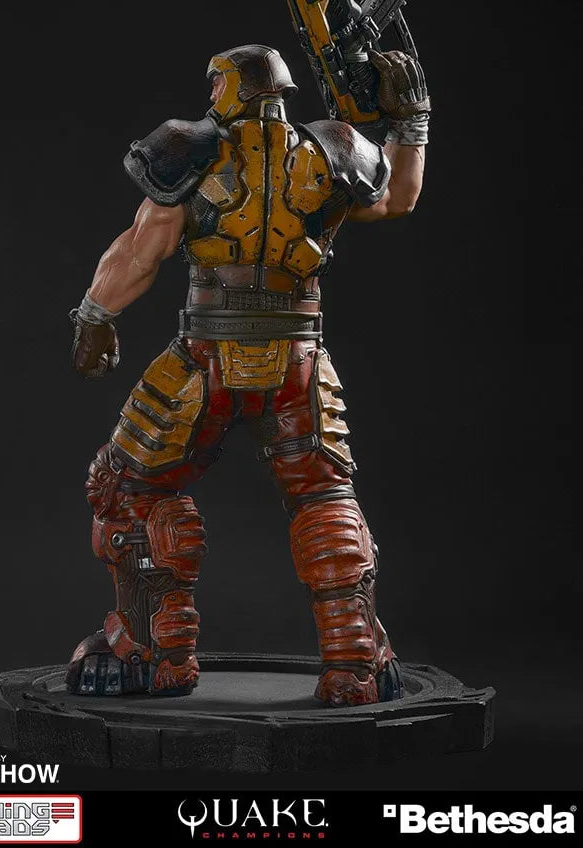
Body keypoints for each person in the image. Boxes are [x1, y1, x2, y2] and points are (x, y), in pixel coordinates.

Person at [66, 43, 429, 706]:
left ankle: (154, 651)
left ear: (228, 88)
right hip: (297, 360)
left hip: (206, 359)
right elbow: (399, 197)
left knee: (129, 487)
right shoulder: (333, 151)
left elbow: (142, 252)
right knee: (323, 497)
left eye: (215, 86)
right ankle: (355, 660)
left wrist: (95, 314)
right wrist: (411, 122)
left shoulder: (190, 151)